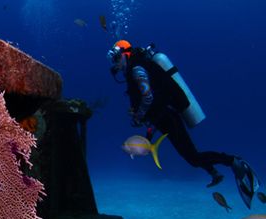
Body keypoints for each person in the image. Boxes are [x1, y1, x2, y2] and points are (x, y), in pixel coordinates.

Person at [107, 40, 259, 206]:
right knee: (192, 155)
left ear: (125, 54)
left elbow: (148, 96)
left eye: (116, 58)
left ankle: (233, 161)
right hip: (163, 117)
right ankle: (214, 171)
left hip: (167, 117)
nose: (116, 64)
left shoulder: (136, 69)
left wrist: (138, 116)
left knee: (192, 157)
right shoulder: (137, 67)